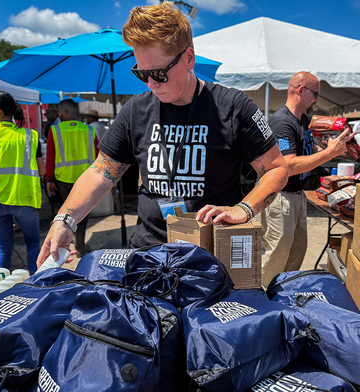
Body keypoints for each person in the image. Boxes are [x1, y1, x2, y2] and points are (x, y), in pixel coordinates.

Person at [37, 2, 289, 267]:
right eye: (141, 73)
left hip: (213, 254)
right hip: (149, 253)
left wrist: (244, 209)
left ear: (189, 58)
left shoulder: (233, 107)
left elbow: (276, 168)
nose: (151, 84)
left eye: (158, 73)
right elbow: (102, 172)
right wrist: (64, 220)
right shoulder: (136, 109)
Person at [259, 71, 355, 286]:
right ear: (301, 90)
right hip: (280, 196)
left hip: (296, 195)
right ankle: (264, 295)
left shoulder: (302, 120)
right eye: (316, 94)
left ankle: (285, 292)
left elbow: (308, 151)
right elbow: (289, 165)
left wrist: (334, 148)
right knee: (277, 256)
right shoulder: (282, 122)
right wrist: (329, 153)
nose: (317, 100)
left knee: (297, 251)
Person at [0, 91, 46, 275]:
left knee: (4, 247)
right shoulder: (30, 136)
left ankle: (3, 286)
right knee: (33, 243)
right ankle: (35, 284)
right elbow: (42, 170)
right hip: (24, 198)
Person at [45, 99, 98, 257]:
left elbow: (50, 157)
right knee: (82, 213)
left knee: (66, 213)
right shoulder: (89, 130)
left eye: (59, 112)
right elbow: (99, 156)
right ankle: (80, 246)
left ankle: (65, 247)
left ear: (65, 112)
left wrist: (49, 179)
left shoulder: (55, 130)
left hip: (64, 179)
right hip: (86, 178)